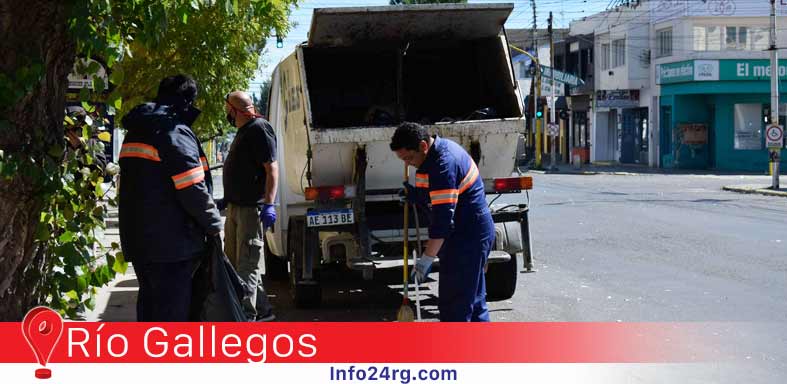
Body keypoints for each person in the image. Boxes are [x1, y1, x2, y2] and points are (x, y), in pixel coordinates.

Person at [118, 74, 222, 321]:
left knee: (150, 310)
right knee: (173, 316)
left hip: (141, 241)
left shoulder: (137, 129)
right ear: (186, 101)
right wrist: (214, 225)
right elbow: (192, 188)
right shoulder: (172, 130)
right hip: (173, 244)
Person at [390, 122, 495, 322]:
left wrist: (426, 260)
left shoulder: (443, 165)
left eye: (409, 157)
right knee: (473, 303)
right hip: (469, 233)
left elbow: (442, 222)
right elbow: (435, 195)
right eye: (403, 160)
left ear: (423, 146)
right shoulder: (431, 156)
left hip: (467, 238)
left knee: (456, 306)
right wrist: (417, 195)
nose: (408, 164)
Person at [219, 90, 278, 321]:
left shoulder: (259, 128)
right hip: (236, 206)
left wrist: (269, 204)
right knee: (235, 264)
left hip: (250, 210)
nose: (227, 115)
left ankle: (244, 319)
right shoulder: (245, 131)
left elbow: (271, 168)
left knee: (247, 264)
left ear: (234, 110)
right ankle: (263, 310)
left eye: (228, 111)